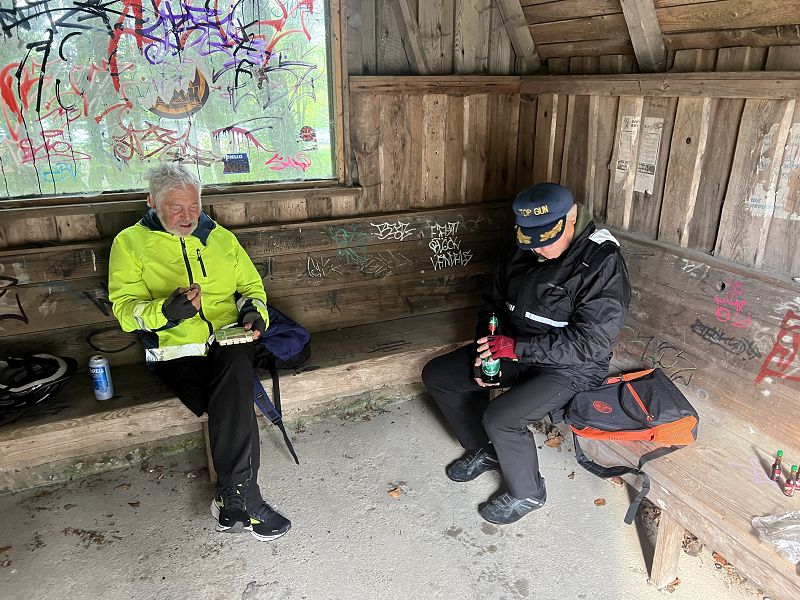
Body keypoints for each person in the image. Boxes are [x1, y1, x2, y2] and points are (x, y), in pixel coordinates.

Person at [422, 182, 631, 525]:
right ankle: (485, 449)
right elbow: (493, 303)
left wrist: (516, 349)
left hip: (572, 367)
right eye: (530, 240)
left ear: (572, 217)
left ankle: (528, 492)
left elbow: (591, 343)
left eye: (547, 239)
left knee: (501, 418)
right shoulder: (520, 247)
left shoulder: (602, 261)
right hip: (515, 348)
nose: (539, 249)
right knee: (440, 376)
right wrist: (487, 345)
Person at [108, 163, 291, 541]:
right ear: (151, 202)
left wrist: (253, 313)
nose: (187, 216)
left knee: (235, 366)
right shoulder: (130, 243)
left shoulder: (220, 238)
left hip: (229, 343)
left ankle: (235, 499)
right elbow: (125, 311)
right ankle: (246, 499)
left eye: (193, 206)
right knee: (234, 396)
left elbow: (252, 288)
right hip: (177, 354)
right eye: (175, 207)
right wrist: (166, 312)